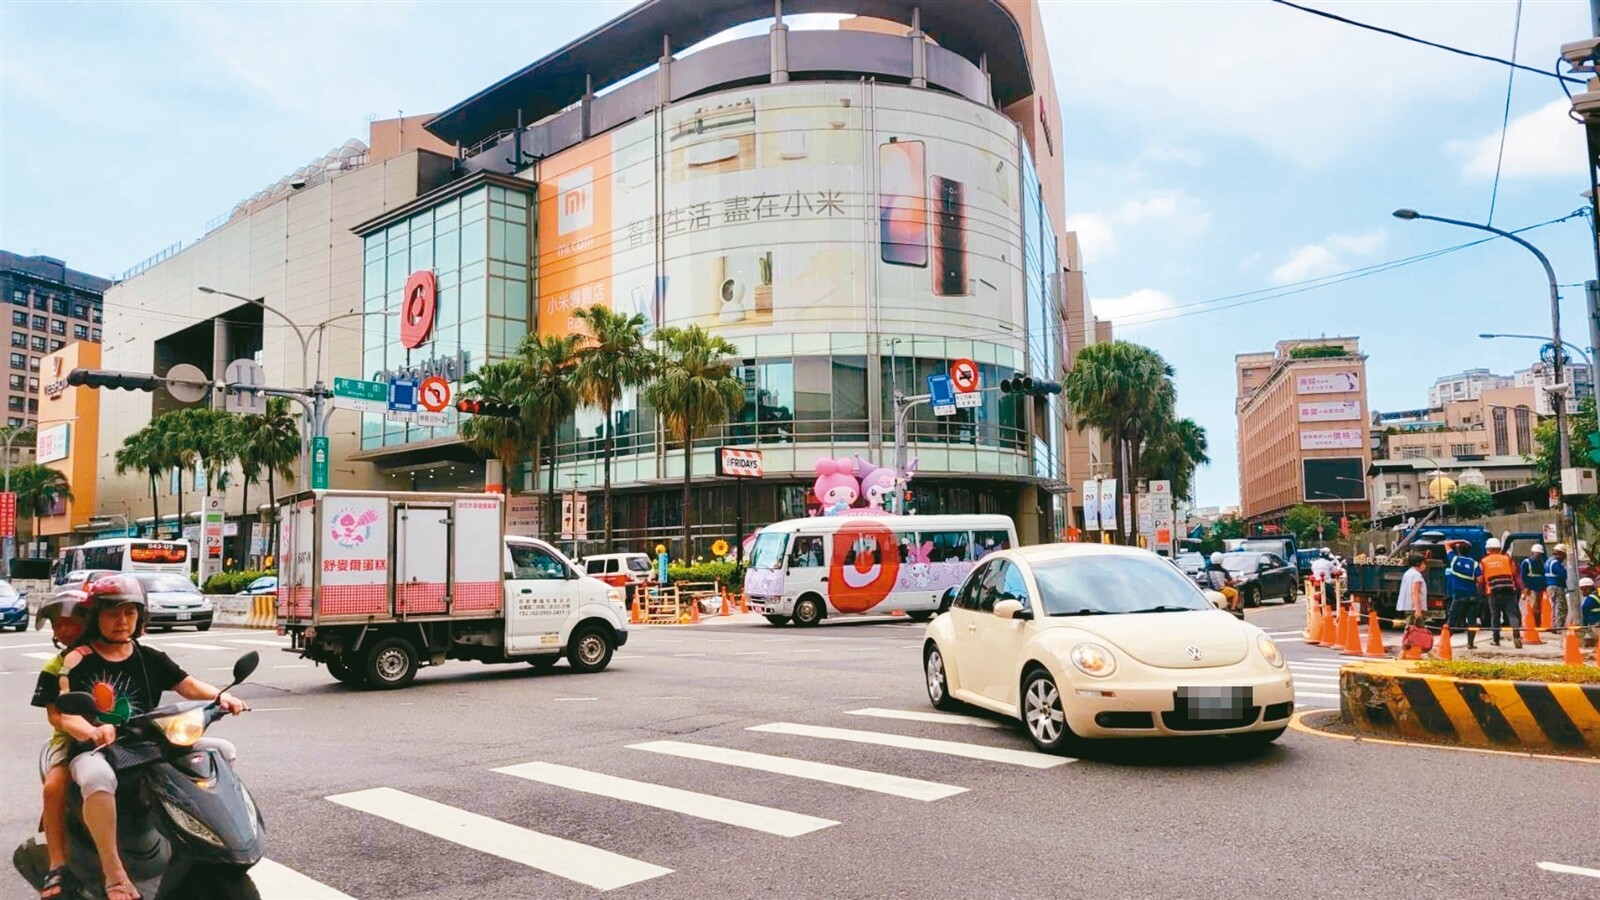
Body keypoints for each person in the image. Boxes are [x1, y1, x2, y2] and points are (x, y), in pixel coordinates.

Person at [31, 575, 248, 900]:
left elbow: (187, 685)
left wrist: (220, 697)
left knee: (221, 751)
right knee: (96, 778)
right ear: (95, 617)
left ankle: (207, 840)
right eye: (112, 613)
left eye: (130, 613)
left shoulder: (149, 657)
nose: (122, 621)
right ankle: (114, 874)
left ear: (140, 617)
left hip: (146, 742)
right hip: (97, 748)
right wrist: (91, 731)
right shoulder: (76, 660)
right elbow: (63, 714)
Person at [29, 594, 89, 900]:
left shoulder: (118, 653)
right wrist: (82, 729)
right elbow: (55, 716)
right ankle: (57, 863)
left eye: (69, 622)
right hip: (69, 740)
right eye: (57, 624)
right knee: (54, 787)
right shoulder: (55, 667)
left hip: (127, 734)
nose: (62, 630)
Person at [1479, 537, 1524, 648]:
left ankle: (1496, 639)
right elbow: (1515, 573)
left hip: (1493, 593)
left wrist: (1480, 591)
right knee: (1512, 615)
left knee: (1495, 616)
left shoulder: (1484, 561)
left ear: (1488, 549)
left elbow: (1480, 579)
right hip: (1509, 591)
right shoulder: (1507, 559)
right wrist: (1523, 588)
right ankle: (1516, 636)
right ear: (1499, 548)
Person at [1445, 541, 1484, 649]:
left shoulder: (1454, 560)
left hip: (1458, 597)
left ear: (1458, 550)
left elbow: (1446, 544)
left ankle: (1445, 641)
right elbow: (1480, 580)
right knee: (1472, 622)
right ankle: (1470, 644)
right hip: (1471, 596)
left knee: (1451, 620)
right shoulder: (1474, 564)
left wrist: (1460, 541)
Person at [1396, 552, 1431, 657]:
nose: (1425, 565)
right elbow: (1415, 592)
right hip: (1413, 608)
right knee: (1413, 631)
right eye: (1424, 563)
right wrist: (1418, 609)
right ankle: (1403, 653)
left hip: (1408, 606)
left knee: (1414, 630)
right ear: (1418, 563)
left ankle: (1429, 652)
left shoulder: (1408, 573)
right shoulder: (1417, 575)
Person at [1520, 544, 1548, 630]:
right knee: (1532, 607)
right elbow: (1523, 576)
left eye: (1540, 554)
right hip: (1531, 588)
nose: (1538, 555)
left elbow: (1543, 575)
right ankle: (1532, 623)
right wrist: (1525, 588)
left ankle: (1537, 623)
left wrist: (1544, 587)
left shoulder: (1541, 562)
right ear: (1533, 553)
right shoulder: (1526, 562)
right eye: (1537, 554)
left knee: (1538, 607)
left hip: (1539, 588)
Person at [1546, 544, 1571, 634]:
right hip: (1556, 586)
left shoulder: (1548, 561)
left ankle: (1555, 625)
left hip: (1550, 586)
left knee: (1554, 606)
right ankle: (1559, 627)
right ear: (1560, 553)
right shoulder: (1555, 563)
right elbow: (1563, 574)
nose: (1564, 557)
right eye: (1564, 555)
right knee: (1560, 606)